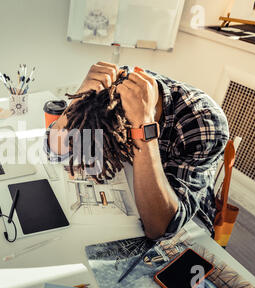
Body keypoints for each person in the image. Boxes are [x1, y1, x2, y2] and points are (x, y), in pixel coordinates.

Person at [46, 62, 229, 240]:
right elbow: (55, 151)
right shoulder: (114, 87)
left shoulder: (203, 122)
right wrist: (78, 101)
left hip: (187, 224)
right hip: (129, 198)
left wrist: (143, 128)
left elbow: (159, 228)